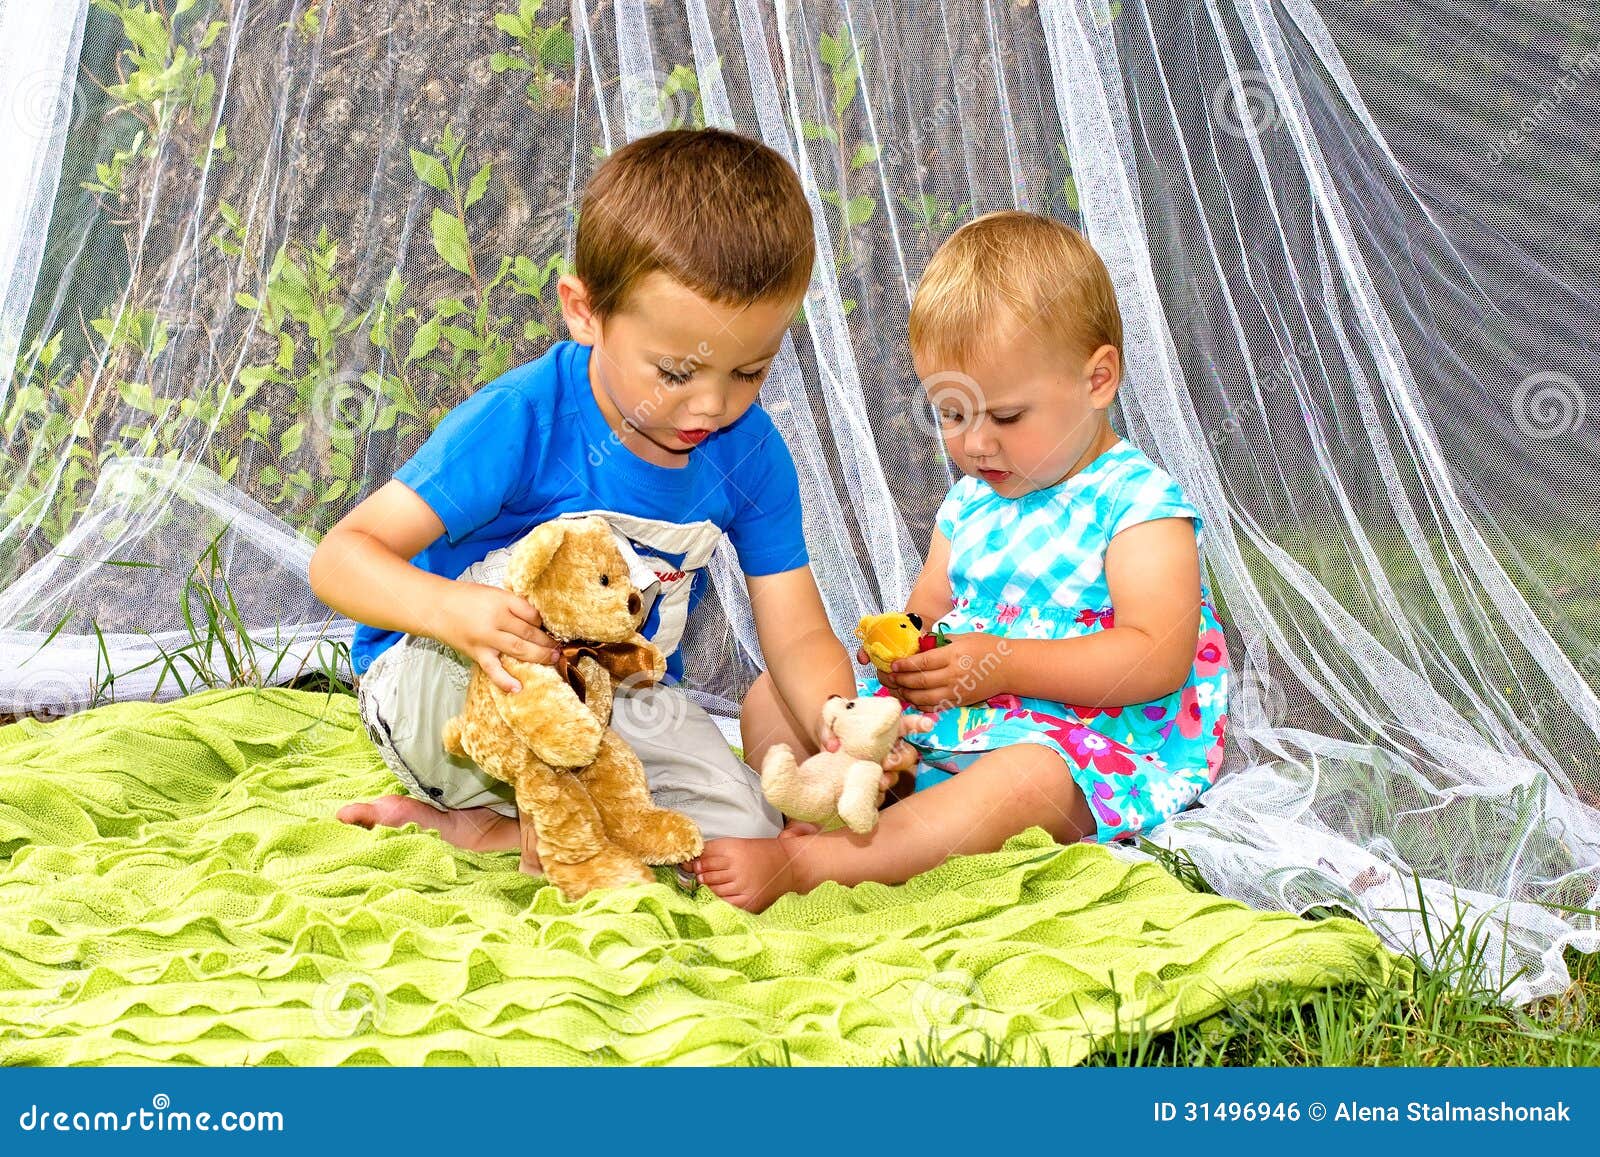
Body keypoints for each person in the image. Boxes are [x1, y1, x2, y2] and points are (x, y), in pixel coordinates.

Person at [309, 128, 922, 879]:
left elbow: (795, 637)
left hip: (613, 706)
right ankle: (521, 808)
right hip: (442, 686)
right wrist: (454, 614)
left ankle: (493, 832)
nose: (711, 404)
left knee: (742, 831)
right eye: (674, 372)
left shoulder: (751, 454)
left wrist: (842, 719)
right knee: (542, 610)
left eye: (750, 371)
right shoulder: (522, 418)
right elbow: (341, 558)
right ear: (584, 310)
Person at [685, 210, 1230, 912]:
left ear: (1098, 380)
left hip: (1085, 741)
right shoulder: (970, 504)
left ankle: (810, 862)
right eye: (950, 413)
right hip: (955, 725)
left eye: (1004, 417)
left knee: (1023, 780)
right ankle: (819, 803)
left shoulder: (1137, 503)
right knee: (771, 697)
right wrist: (905, 664)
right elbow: (930, 613)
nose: (974, 444)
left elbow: (1154, 657)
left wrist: (1000, 663)